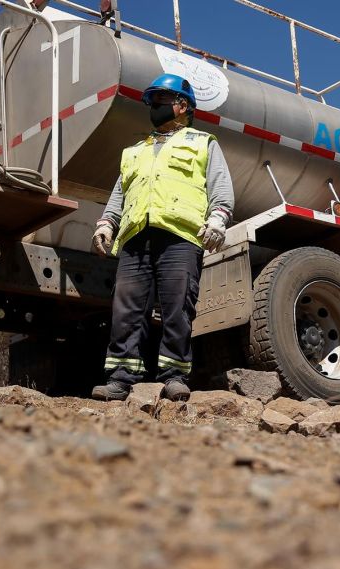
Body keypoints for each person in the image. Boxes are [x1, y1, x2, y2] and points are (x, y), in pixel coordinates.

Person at [90, 72, 234, 402]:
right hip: (136, 237)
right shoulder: (134, 152)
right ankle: (121, 378)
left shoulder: (202, 143)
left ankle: (174, 376)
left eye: (159, 100)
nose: (152, 106)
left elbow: (221, 188)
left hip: (180, 237)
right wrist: (106, 224)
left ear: (182, 106)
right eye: (151, 102)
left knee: (177, 307)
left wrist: (218, 219)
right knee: (126, 309)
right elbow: (120, 194)